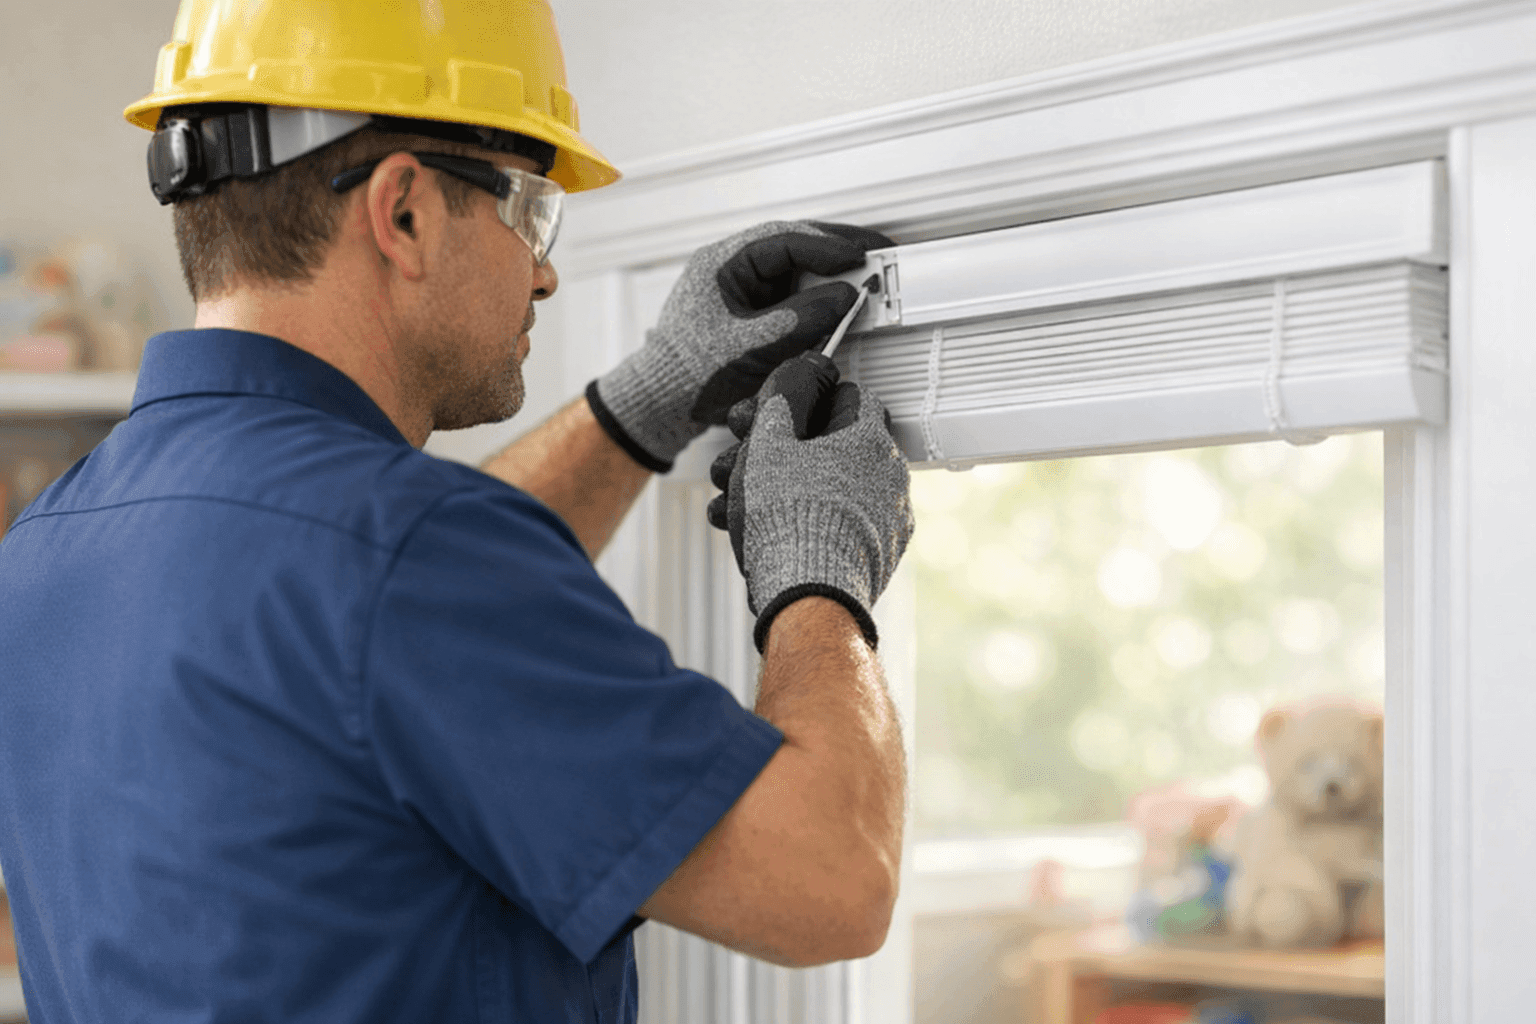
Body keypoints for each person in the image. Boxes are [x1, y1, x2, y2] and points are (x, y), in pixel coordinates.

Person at [0, 2, 914, 1022]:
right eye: (530, 209)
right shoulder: (405, 559)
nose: (546, 270)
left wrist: (645, 401)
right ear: (405, 213)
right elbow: (833, 880)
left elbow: (378, 638)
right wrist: (820, 571)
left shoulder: (45, 548)